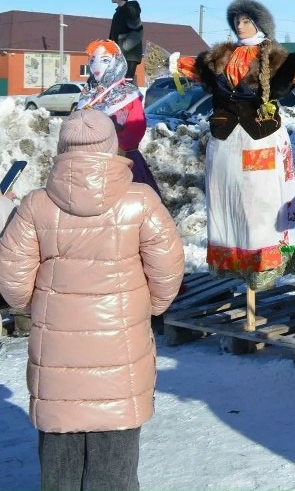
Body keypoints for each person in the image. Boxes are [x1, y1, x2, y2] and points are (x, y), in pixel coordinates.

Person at [0, 109, 184, 491]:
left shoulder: (36, 205)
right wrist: (147, 308)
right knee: (115, 469)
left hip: (57, 361)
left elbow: (12, 282)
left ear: (63, 149)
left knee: (59, 472)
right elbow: (167, 270)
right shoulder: (141, 201)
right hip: (121, 356)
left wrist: (41, 309)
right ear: (111, 147)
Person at [170, 0, 295, 288]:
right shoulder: (220, 56)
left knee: (260, 204)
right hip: (224, 140)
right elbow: (201, 74)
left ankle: (263, 264)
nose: (240, 26)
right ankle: (233, 261)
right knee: (226, 200)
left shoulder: (275, 56)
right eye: (237, 21)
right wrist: (180, 64)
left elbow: (280, 88)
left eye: (246, 21)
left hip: (260, 139)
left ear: (259, 24)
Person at [76, 39, 160, 192]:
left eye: (105, 60)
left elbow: (136, 126)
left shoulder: (128, 93)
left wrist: (116, 148)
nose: (96, 65)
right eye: (93, 60)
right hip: (87, 164)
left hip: (121, 161)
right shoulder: (88, 93)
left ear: (117, 62)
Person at [108, 0, 144, 81]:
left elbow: (137, 33)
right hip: (119, 55)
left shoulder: (130, 11)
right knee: (117, 83)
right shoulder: (119, 12)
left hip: (129, 56)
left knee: (125, 83)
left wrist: (123, 48)